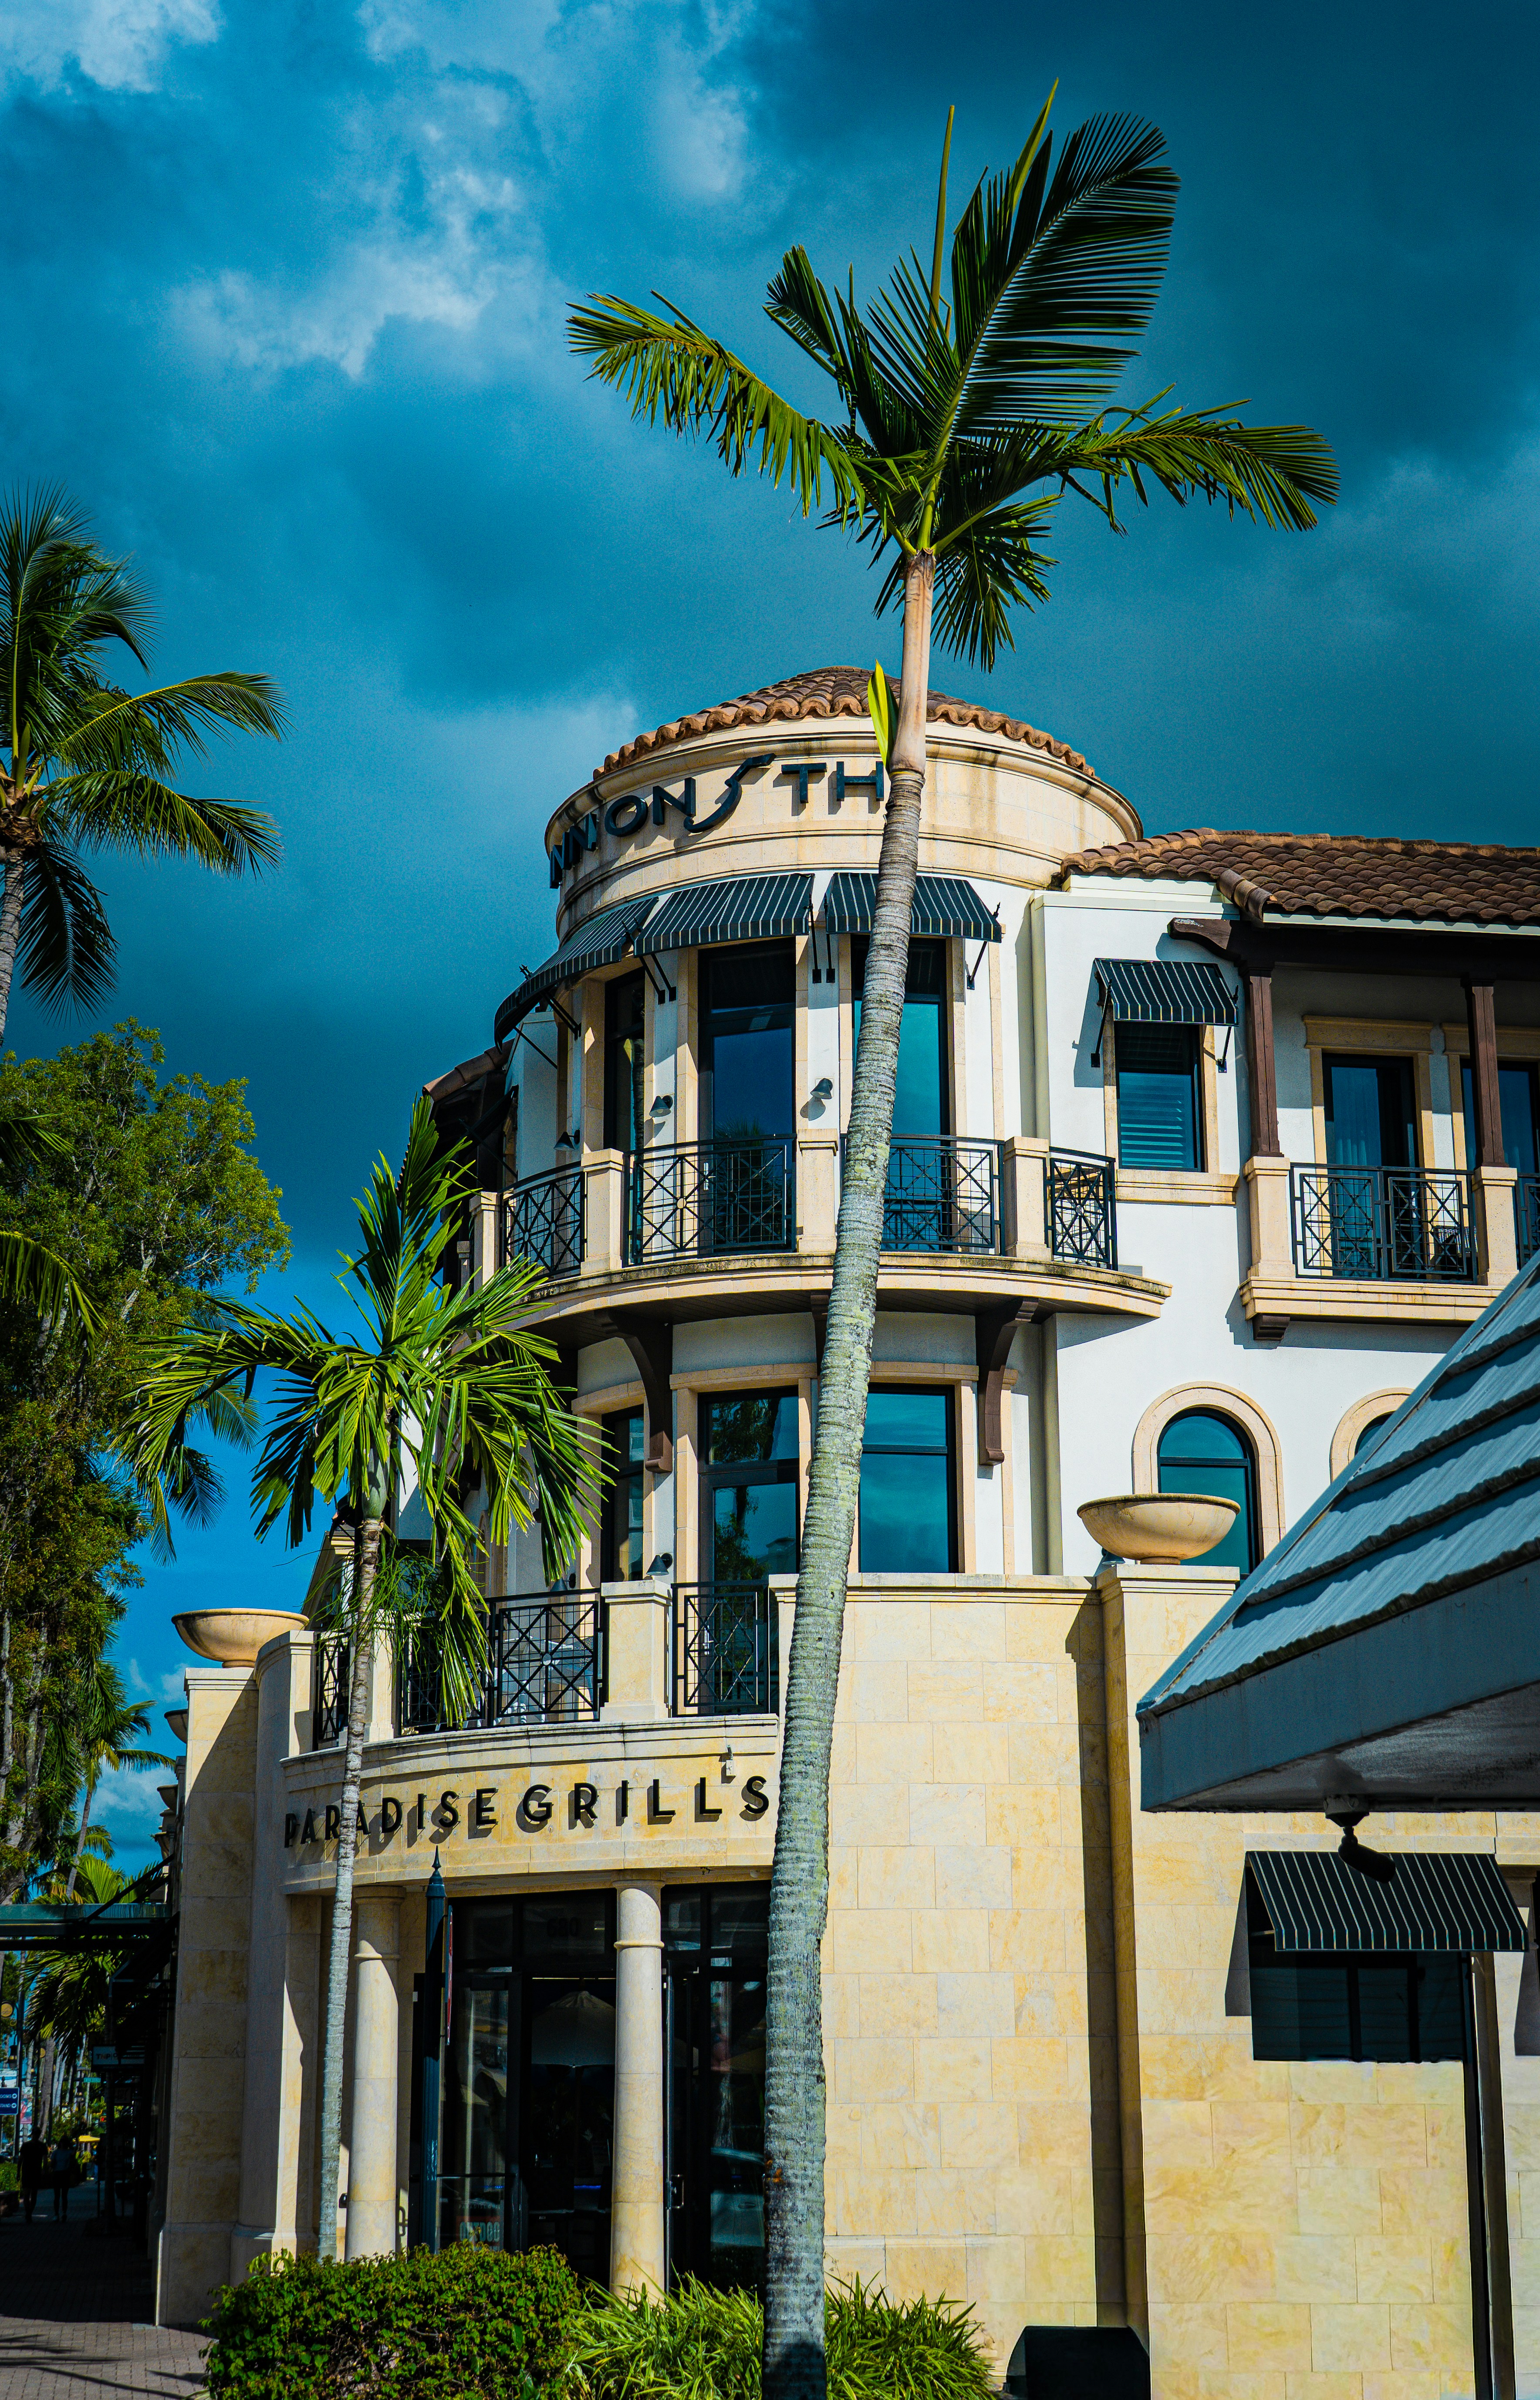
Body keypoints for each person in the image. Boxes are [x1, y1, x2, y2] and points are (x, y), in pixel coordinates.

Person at [17, 2133, 45, 2223]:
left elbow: (45, 2160)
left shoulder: (42, 2146)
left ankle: (29, 2213)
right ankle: (28, 2213)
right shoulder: (26, 2145)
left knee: (33, 2194)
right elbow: (21, 2159)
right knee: (27, 2194)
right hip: (27, 2172)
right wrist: (18, 2172)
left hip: (35, 2173)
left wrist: (44, 2171)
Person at [48, 2133, 76, 2220]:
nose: (63, 2144)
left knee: (64, 2195)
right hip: (58, 2174)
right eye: (62, 2142)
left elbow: (74, 2153)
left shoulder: (69, 2152)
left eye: (65, 2142)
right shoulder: (56, 2152)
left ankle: (64, 2213)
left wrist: (77, 2142)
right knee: (57, 2196)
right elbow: (52, 2163)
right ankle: (57, 2213)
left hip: (65, 2174)